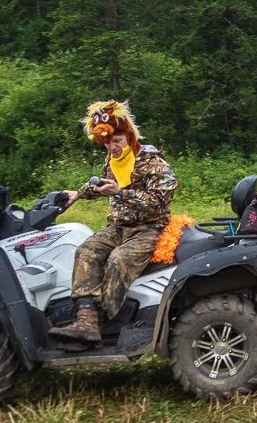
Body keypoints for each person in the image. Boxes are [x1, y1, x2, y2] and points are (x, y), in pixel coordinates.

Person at [48, 101, 178, 349]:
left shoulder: (152, 161)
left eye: (116, 140)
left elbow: (159, 202)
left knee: (118, 260)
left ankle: (104, 321)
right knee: (87, 250)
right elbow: (103, 184)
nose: (112, 147)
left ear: (128, 135)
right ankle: (85, 318)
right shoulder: (112, 160)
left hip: (149, 228)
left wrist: (121, 193)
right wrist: (79, 193)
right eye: (107, 143)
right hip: (118, 227)